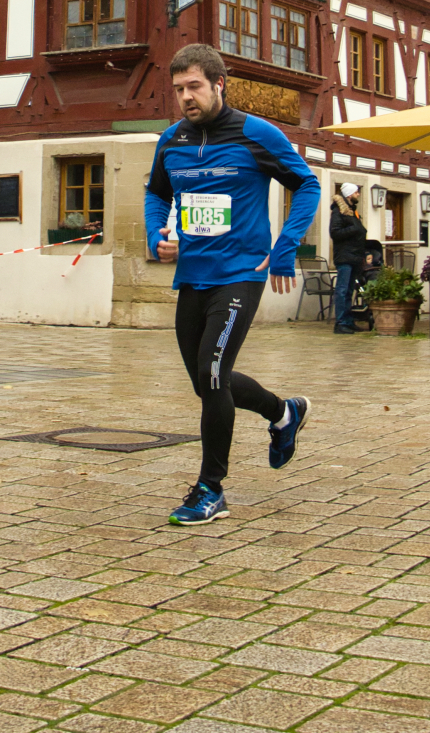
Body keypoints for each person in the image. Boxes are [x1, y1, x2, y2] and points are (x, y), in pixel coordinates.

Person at [145, 44, 320, 525]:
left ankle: (210, 489)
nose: (186, 97)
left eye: (194, 86)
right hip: (193, 275)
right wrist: (156, 235)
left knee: (213, 372)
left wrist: (285, 246)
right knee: (206, 381)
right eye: (178, 89)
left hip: (242, 273)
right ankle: (283, 412)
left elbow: (306, 184)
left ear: (219, 84)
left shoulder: (255, 133)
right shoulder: (171, 140)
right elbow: (157, 195)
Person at [328, 183, 367, 334]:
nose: (358, 195)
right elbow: (335, 232)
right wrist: (355, 229)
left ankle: (348, 321)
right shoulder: (338, 211)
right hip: (345, 257)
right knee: (342, 290)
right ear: (349, 195)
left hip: (354, 256)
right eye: (356, 192)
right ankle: (340, 323)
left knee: (349, 291)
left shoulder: (352, 211)